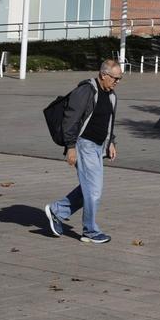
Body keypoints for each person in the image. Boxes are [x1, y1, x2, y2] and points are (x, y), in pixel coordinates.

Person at [44, 60, 123, 243]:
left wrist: (111, 141)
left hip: (97, 146)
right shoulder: (86, 91)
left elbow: (107, 121)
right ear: (104, 75)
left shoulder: (111, 95)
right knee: (94, 190)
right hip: (83, 144)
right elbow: (70, 120)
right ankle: (90, 231)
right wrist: (71, 147)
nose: (117, 82)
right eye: (115, 78)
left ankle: (57, 210)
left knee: (89, 188)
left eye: (120, 78)